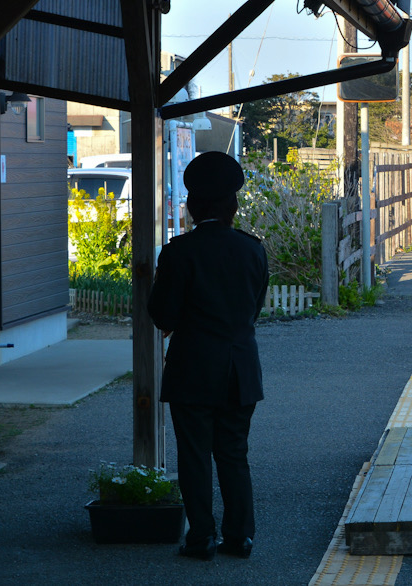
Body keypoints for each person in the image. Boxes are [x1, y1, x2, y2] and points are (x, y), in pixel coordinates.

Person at [147, 151, 269, 561]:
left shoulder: (178, 252)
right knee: (234, 452)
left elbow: (163, 315)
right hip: (240, 366)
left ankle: (200, 538)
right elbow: (253, 308)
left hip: (191, 367)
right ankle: (240, 536)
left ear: (192, 206)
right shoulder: (252, 250)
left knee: (194, 455)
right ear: (233, 207)